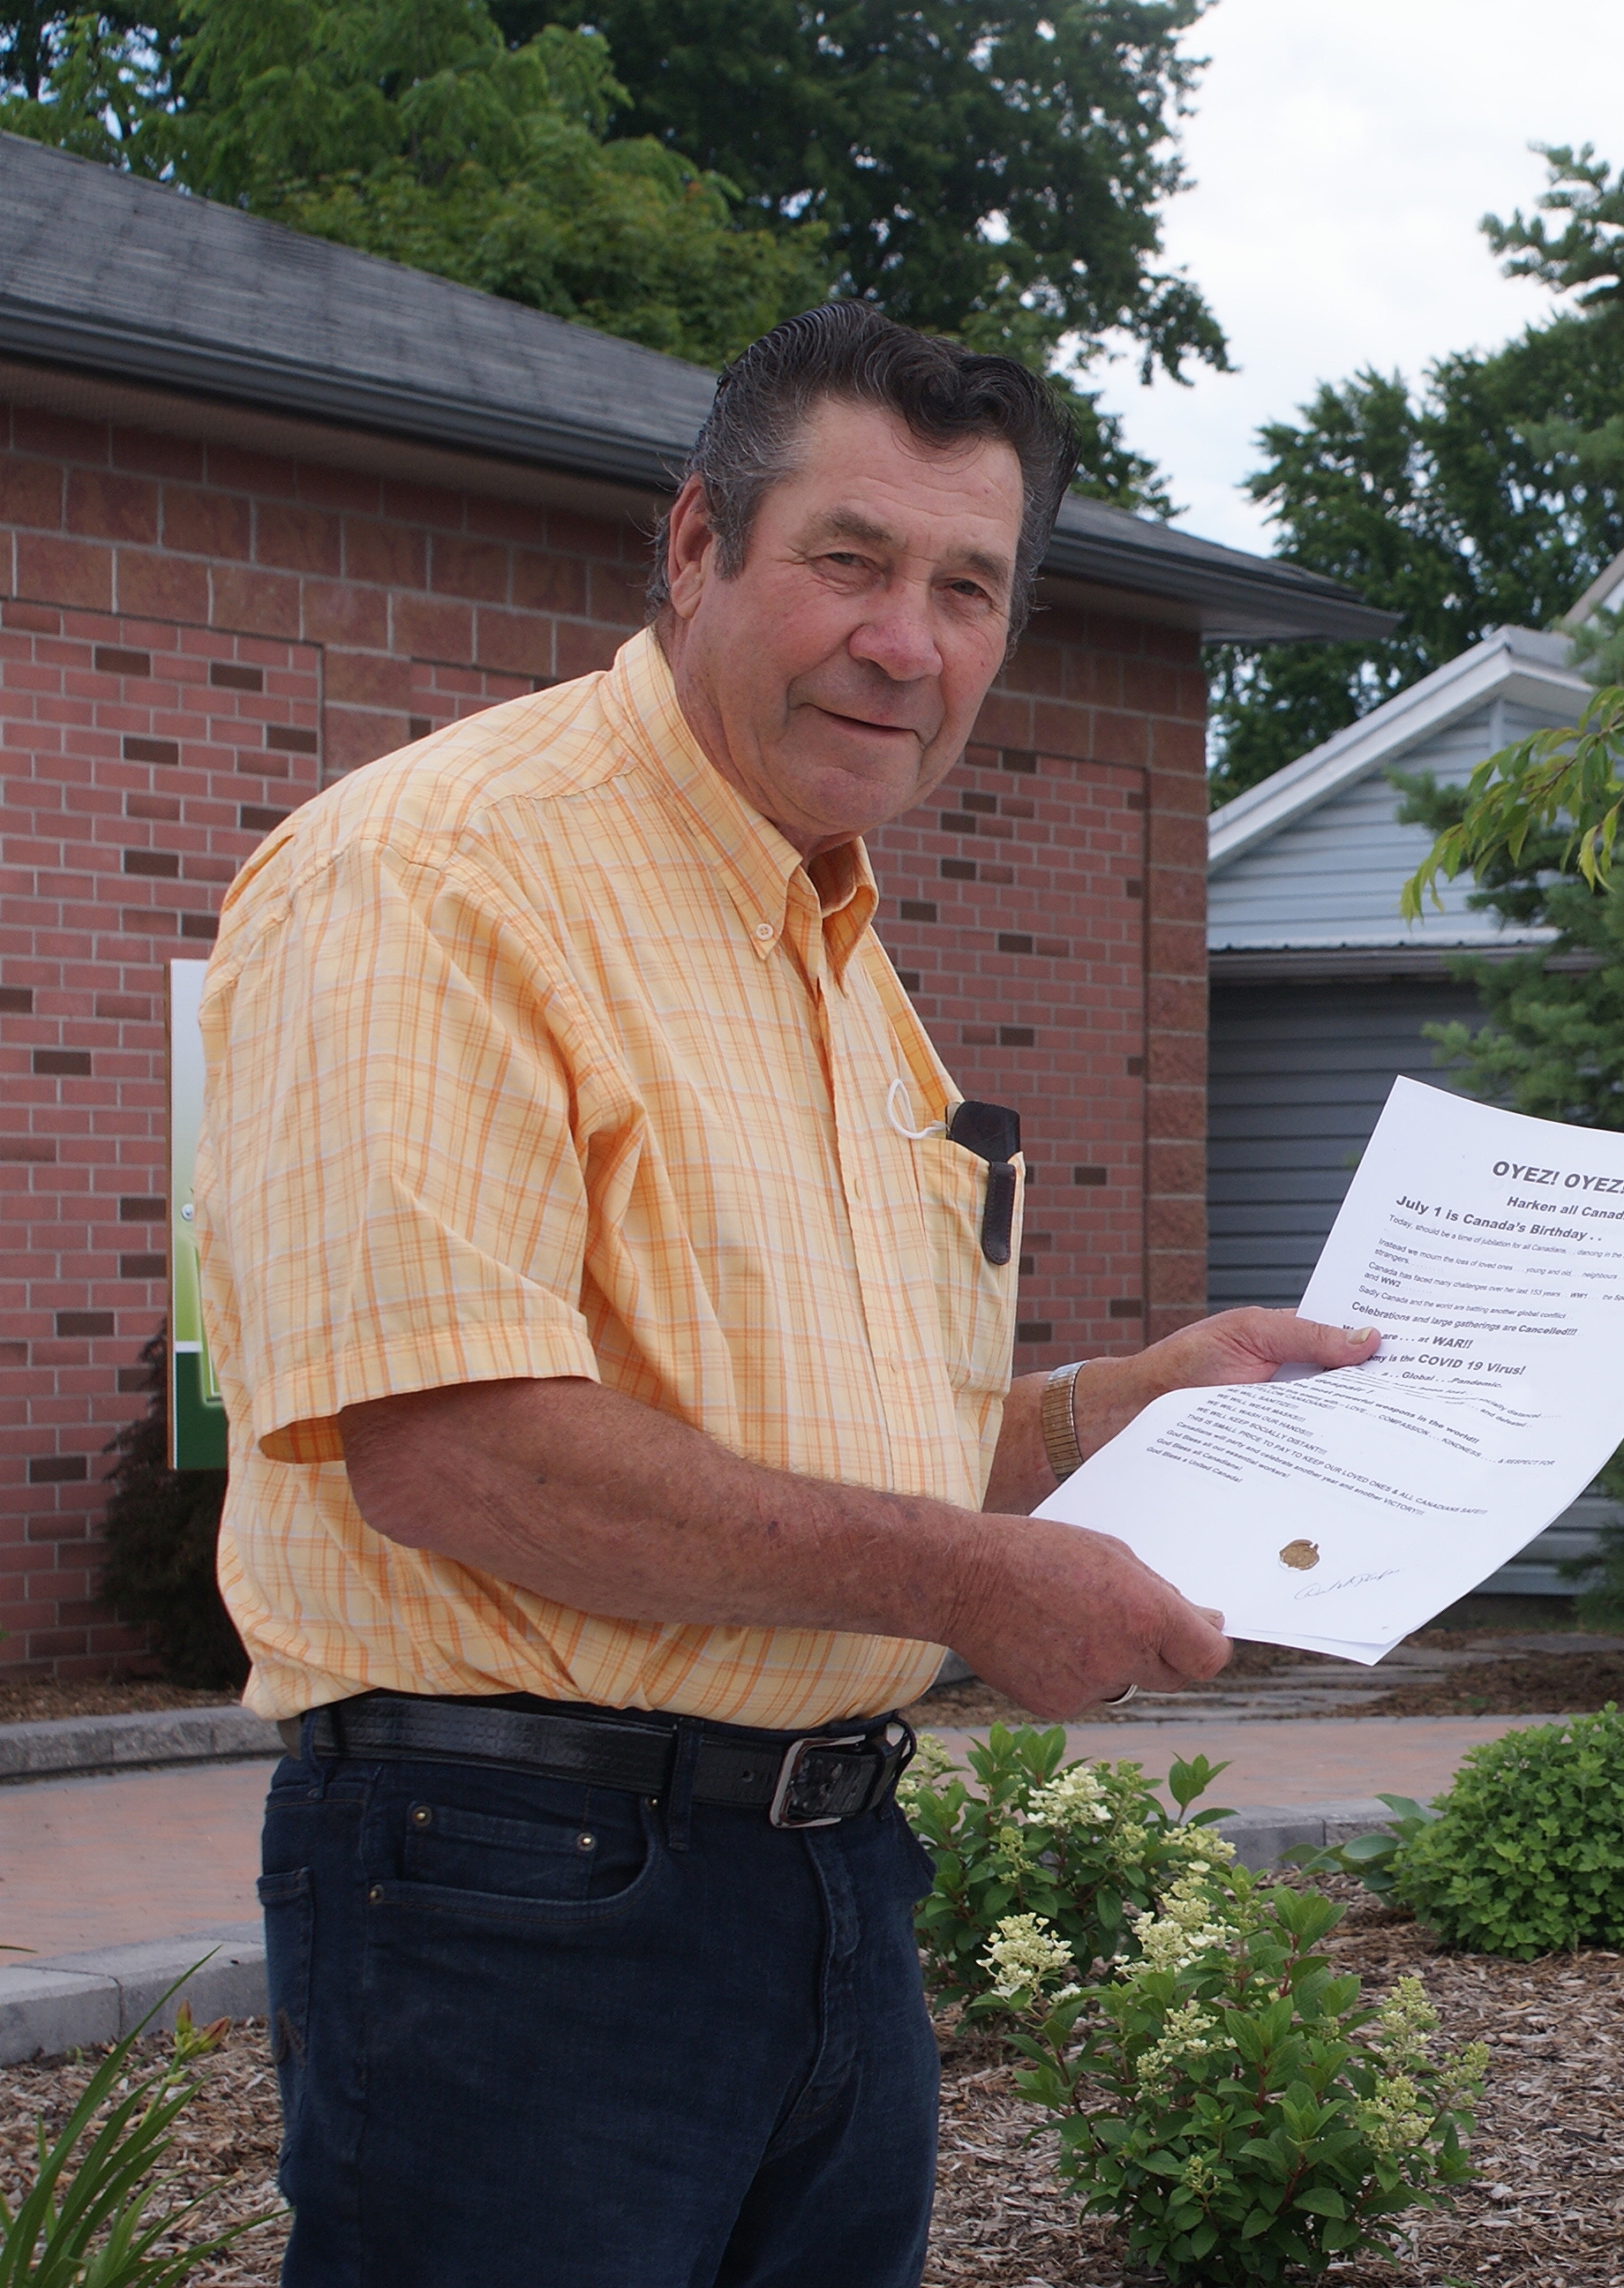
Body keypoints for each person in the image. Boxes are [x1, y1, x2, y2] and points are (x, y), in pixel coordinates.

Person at [194, 303, 1376, 2286]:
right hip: (514, 1896)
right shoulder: (436, 876)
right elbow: (452, 1451)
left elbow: (823, 1451)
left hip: (823, 1875)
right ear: (692, 550)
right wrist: (972, 1586)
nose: (905, 643)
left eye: (966, 588)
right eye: (848, 559)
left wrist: (1119, 1406)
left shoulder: (826, 940)